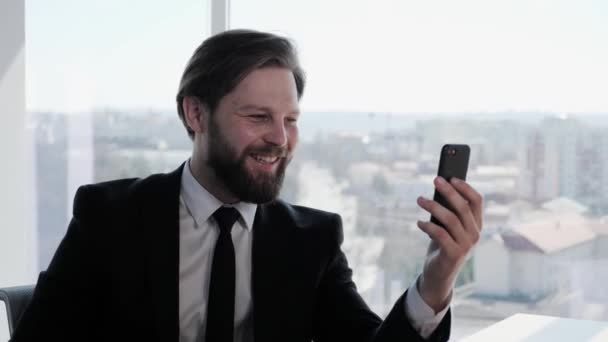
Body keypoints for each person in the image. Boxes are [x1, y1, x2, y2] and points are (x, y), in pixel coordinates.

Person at [12, 29, 483, 342]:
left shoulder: (311, 240)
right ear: (195, 114)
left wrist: (438, 279)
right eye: (258, 117)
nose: (280, 140)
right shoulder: (109, 218)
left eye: (290, 120)